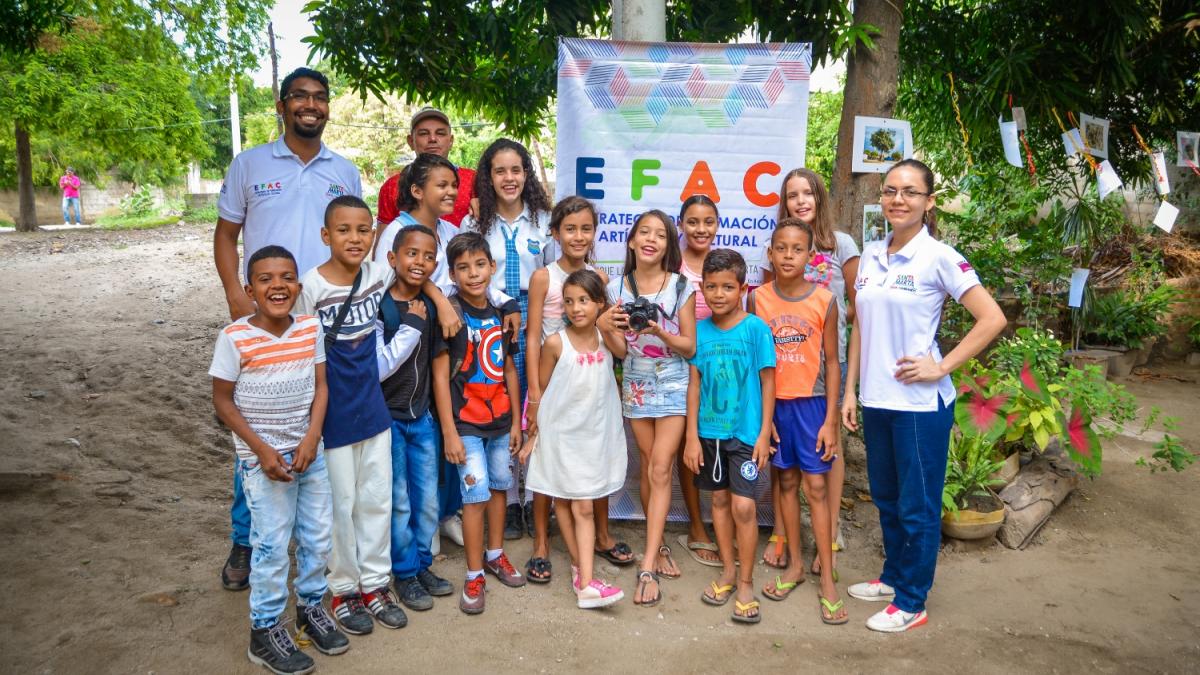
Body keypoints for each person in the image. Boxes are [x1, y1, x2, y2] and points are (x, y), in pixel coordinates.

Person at [214, 66, 362, 593]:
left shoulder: (345, 171)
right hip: (264, 312)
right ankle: (246, 539)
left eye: (319, 98)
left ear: (327, 107)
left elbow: (353, 240)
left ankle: (314, 538)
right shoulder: (249, 164)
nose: (310, 105)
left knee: (312, 414)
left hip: (324, 314)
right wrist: (238, 295)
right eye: (299, 96)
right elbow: (226, 235)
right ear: (282, 105)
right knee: (257, 422)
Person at [843, 159, 1005, 632]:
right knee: (889, 498)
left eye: (910, 192)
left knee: (917, 504)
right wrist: (851, 391)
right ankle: (894, 577)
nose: (898, 199)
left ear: (928, 202)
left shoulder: (940, 257)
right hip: (876, 399)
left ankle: (913, 601)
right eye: (891, 190)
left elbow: (991, 318)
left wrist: (943, 365)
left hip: (918, 405)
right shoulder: (872, 254)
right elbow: (861, 327)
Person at [209, 245, 349, 674]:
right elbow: (222, 400)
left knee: (317, 536)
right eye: (266, 279)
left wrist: (312, 438)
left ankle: (310, 608)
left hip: (310, 453)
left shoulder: (309, 329)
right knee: (270, 546)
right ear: (250, 289)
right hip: (262, 460)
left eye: (286, 277)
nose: (278, 286)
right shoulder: (235, 337)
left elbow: (321, 387)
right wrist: (261, 449)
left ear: (298, 286)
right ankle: (264, 629)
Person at [373, 153, 518, 557]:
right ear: (417, 191)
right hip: (407, 351)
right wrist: (436, 295)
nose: (452, 192)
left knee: (442, 439)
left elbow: (477, 282)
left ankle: (441, 519)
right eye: (442, 185)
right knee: (422, 446)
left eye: (454, 185)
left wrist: (510, 306)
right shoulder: (398, 232)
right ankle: (410, 544)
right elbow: (388, 287)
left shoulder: (450, 230)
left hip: (452, 352)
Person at [295, 196, 408, 636]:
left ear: (374, 235)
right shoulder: (312, 287)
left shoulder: (378, 274)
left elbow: (416, 284)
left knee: (376, 499)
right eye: (344, 230)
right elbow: (303, 352)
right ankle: (342, 589)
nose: (355, 238)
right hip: (334, 414)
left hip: (373, 408)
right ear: (326, 236)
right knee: (340, 506)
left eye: (364, 230)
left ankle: (376, 584)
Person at [524, 196, 635, 582]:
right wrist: (534, 394)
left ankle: (600, 534)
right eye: (570, 228)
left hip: (588, 382)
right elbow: (534, 333)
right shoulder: (544, 276)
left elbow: (610, 335)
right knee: (546, 457)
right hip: (552, 374)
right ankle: (541, 541)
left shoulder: (599, 279)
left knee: (593, 453)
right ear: (555, 233)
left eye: (586, 228)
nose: (578, 235)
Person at [759, 168, 861, 574]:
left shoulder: (842, 244)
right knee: (783, 462)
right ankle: (782, 533)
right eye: (791, 195)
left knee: (827, 453)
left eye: (807, 194)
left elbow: (858, 305)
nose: (800, 201)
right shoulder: (779, 248)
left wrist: (825, 325)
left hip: (825, 369)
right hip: (785, 371)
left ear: (819, 197)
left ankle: (829, 533)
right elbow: (769, 306)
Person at [598, 210, 697, 607]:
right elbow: (622, 352)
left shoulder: (681, 285)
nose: (651, 239)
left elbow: (689, 346)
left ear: (667, 245)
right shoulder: (617, 288)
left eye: (660, 234)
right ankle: (660, 545)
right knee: (647, 464)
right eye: (644, 232)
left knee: (660, 468)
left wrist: (661, 331)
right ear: (632, 241)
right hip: (637, 381)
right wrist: (606, 327)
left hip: (673, 380)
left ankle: (647, 565)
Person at [752, 218, 846, 625]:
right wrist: (763, 418)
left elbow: (832, 362)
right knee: (786, 483)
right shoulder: (757, 298)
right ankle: (792, 564)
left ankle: (826, 576)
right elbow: (756, 362)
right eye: (781, 248)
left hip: (811, 406)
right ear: (770, 254)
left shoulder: (824, 300)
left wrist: (831, 422)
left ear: (811, 256)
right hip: (776, 407)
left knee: (817, 488)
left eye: (797, 249)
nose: (788, 255)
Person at [460, 138, 554, 542]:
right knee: (503, 408)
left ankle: (536, 496)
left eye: (516, 170)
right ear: (489, 177)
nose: (509, 178)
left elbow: (556, 276)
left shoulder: (544, 220)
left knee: (538, 405)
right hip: (492, 324)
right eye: (500, 171)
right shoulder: (474, 223)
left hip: (540, 324)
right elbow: (467, 275)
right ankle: (510, 500)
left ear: (526, 174)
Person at [431, 232, 526, 615]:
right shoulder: (450, 315)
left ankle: (495, 554)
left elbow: (508, 369)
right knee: (476, 496)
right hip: (465, 424)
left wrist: (517, 421)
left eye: (480, 264)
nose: (474, 274)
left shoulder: (504, 312)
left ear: (492, 266)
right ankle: (473, 573)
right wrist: (449, 431)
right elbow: (440, 377)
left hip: (502, 421)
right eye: (464, 268)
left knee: (501, 488)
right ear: (452, 274)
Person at [683, 249, 776, 625]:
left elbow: (768, 382)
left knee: (744, 507)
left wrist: (765, 432)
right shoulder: (699, 333)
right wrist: (691, 436)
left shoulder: (756, 329)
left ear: (742, 288)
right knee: (718, 503)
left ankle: (746, 582)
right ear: (702, 288)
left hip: (745, 435)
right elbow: (693, 386)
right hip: (708, 435)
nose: (719, 294)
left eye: (727, 287)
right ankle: (726, 571)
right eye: (711, 287)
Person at [374, 224, 456, 613]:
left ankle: (422, 565)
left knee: (426, 501)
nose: (419, 262)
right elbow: (378, 366)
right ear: (392, 258)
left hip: (421, 417)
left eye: (427, 256)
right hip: (388, 418)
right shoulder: (382, 306)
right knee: (400, 501)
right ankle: (404, 573)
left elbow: (442, 365)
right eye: (411, 254)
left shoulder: (432, 304)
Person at [674, 194, 722, 568]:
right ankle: (696, 526)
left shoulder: (724, 265)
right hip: (678, 364)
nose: (700, 229)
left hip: (721, 366)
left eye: (708, 222)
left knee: (719, 442)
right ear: (681, 225)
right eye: (693, 221)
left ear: (717, 225)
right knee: (686, 447)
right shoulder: (672, 265)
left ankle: (724, 519)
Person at [375, 107, 476, 227]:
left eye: (440, 133)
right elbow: (384, 239)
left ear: (451, 141)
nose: (432, 139)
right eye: (423, 133)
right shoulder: (392, 186)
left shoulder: (474, 179)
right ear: (411, 141)